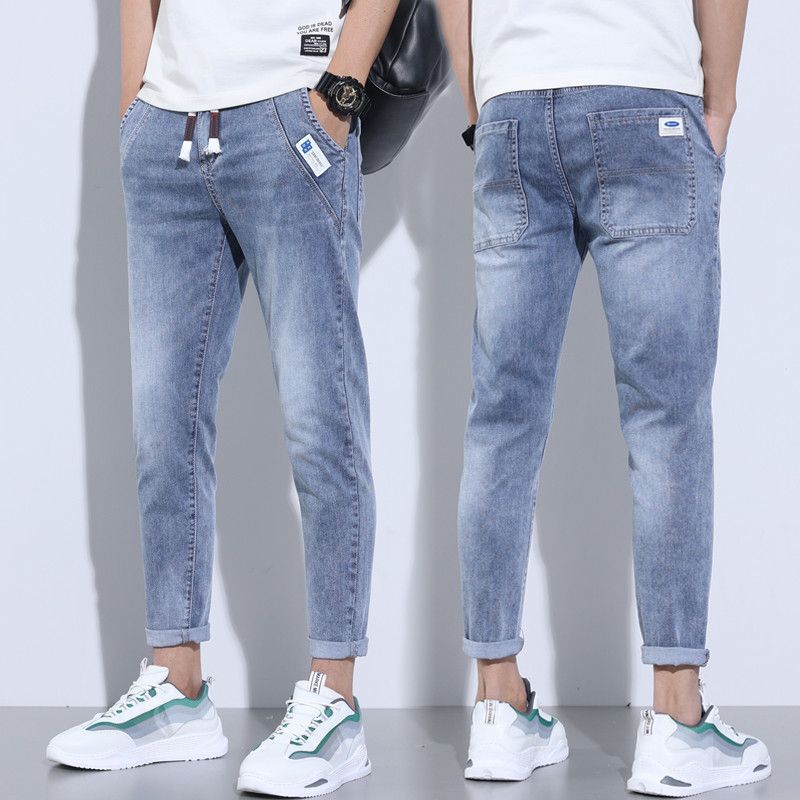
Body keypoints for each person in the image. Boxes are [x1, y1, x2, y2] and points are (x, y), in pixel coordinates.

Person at [46, 1, 399, 795]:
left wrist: (339, 92)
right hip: (167, 127)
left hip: (293, 113)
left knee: (323, 423)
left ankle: (337, 703)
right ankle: (177, 690)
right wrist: (136, 97)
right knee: (162, 426)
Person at [437, 0, 772, 794]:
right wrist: (720, 104)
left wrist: (483, 93)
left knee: (501, 422)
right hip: (643, 93)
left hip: (514, 104)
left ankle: (498, 708)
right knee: (666, 422)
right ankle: (677, 718)